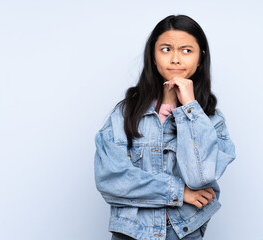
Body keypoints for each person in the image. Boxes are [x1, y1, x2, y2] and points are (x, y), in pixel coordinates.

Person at [94, 14, 236, 240]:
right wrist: (180, 193)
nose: (176, 59)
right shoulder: (124, 114)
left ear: (201, 58)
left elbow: (202, 177)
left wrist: (190, 107)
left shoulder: (211, 121)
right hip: (131, 234)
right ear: (153, 55)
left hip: (184, 233)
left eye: (187, 50)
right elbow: (111, 179)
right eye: (166, 49)